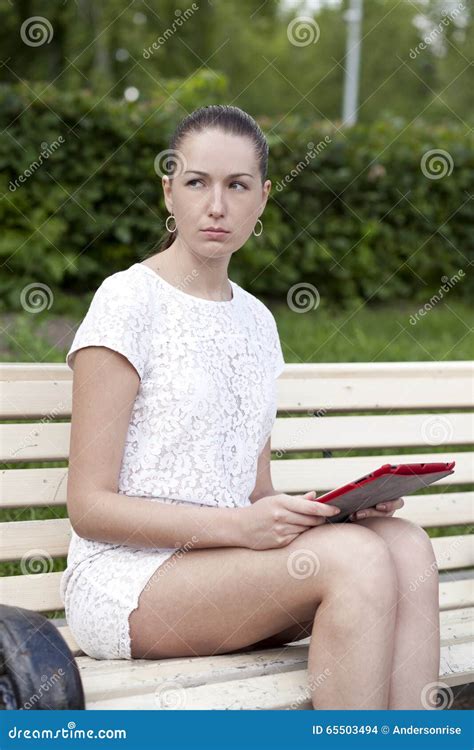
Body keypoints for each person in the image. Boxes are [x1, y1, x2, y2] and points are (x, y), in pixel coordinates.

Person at [60, 104, 440, 710]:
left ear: (262, 198)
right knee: (357, 562)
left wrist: (334, 512)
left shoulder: (257, 321)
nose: (217, 206)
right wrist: (242, 528)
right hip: (130, 582)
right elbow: (88, 507)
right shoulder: (127, 301)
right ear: (169, 191)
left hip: (231, 567)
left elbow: (255, 491)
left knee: (402, 542)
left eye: (236, 186)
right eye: (197, 183)